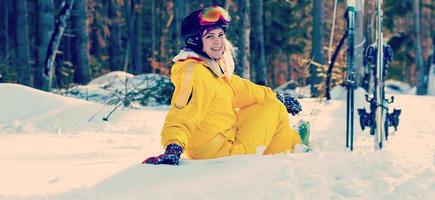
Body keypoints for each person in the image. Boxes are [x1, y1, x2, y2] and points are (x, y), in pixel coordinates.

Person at [143, 6, 309, 165]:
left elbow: (242, 89)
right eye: (209, 37)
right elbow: (182, 114)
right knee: (275, 109)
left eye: (220, 34)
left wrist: (278, 96)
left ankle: (287, 137)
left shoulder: (211, 68)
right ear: (195, 41)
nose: (218, 42)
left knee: (265, 103)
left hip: (223, 140)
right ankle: (291, 146)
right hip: (221, 155)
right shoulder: (194, 73)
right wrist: (173, 147)